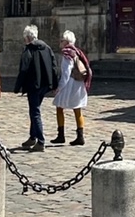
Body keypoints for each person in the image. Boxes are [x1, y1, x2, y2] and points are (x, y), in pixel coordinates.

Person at [13, 24, 57, 152]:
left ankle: (41, 141)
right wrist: (54, 84)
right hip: (44, 85)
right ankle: (32, 137)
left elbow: (24, 69)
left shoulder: (29, 50)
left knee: (35, 112)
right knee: (35, 110)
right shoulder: (47, 48)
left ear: (27, 37)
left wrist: (17, 86)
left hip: (33, 85)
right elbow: (54, 66)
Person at [52, 30, 92, 146]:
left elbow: (66, 72)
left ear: (66, 42)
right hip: (79, 84)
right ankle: (80, 136)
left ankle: (61, 135)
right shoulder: (77, 51)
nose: (60, 42)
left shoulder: (67, 53)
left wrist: (59, 87)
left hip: (71, 83)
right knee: (77, 109)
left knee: (59, 107)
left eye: (62, 40)